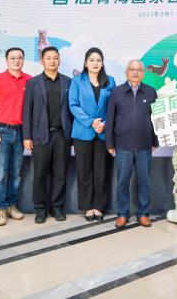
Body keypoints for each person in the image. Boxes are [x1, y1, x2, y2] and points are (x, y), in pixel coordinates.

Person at [22, 46, 74, 224]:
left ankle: (57, 207)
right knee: (40, 174)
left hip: (62, 135)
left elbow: (72, 110)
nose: (52, 61)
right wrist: (27, 137)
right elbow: (27, 111)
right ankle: (40, 209)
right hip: (40, 135)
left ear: (59, 60)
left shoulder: (68, 82)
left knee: (60, 173)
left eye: (55, 58)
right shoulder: (33, 83)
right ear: (42, 61)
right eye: (49, 58)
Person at [105, 60, 158, 229]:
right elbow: (110, 119)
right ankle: (122, 213)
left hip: (144, 145)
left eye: (139, 70)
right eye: (132, 69)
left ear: (143, 73)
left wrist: (155, 141)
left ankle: (143, 213)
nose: (135, 72)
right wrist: (110, 143)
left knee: (144, 181)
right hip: (123, 146)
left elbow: (156, 118)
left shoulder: (151, 92)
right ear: (126, 72)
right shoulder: (116, 92)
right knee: (122, 182)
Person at [0, 47, 32, 226]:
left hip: (21, 132)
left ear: (23, 60)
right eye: (12, 58)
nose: (16, 61)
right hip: (1, 131)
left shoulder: (30, 80)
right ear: (6, 60)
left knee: (16, 173)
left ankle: (12, 205)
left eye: (19, 58)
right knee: (0, 173)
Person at [69, 47, 116, 222]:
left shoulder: (110, 81)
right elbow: (73, 105)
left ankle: (99, 206)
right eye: (92, 60)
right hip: (83, 132)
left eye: (98, 60)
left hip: (103, 132)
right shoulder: (77, 81)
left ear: (102, 63)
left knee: (102, 171)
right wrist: (92, 122)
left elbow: (114, 106)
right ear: (86, 63)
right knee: (84, 171)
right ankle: (88, 206)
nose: (95, 63)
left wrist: (104, 123)